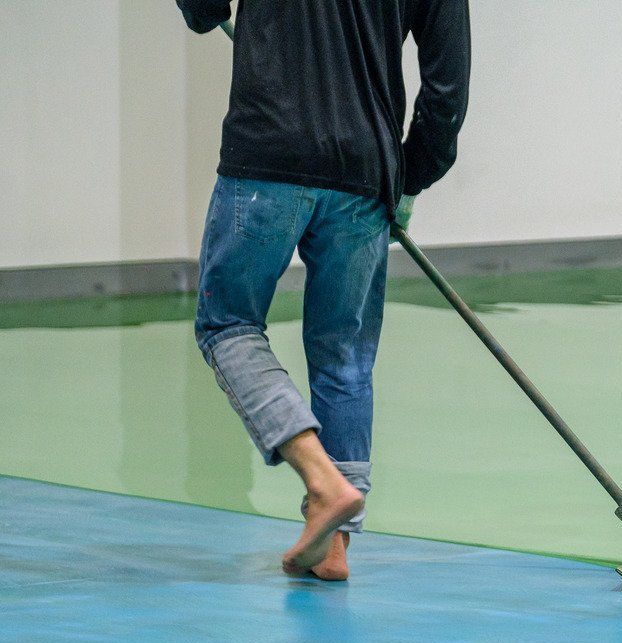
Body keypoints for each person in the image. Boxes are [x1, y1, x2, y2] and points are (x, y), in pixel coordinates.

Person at [177, 0, 470, 579]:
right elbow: (447, 91)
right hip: (365, 172)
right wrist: (407, 177)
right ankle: (334, 548)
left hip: (269, 156)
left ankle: (321, 482)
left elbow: (204, 10)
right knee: (344, 356)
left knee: (227, 324)